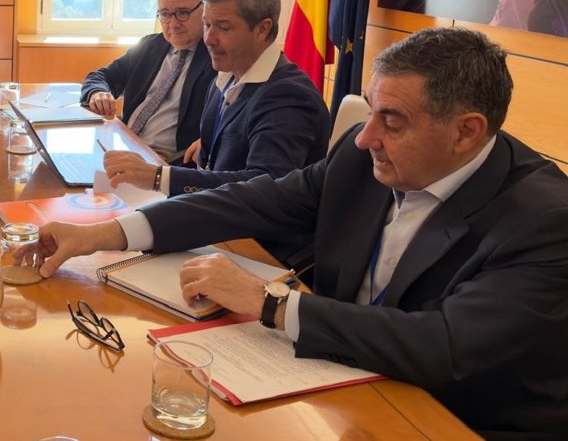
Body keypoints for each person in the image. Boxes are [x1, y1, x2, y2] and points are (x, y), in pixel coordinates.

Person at [36, 27, 568, 438]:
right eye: (371, 111)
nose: (364, 138)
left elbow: (444, 348)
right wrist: (104, 234)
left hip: (451, 418)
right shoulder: (361, 159)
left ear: (466, 132)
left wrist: (269, 303)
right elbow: (251, 200)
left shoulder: (545, 220)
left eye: (392, 121)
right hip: (336, 382)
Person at [104, 0, 329, 265]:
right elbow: (217, 163)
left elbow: (265, 186)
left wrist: (159, 177)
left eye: (223, 27)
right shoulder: (226, 77)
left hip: (260, 249)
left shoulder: (289, 96)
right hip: (218, 223)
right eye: (207, 24)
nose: (209, 38)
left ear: (262, 29)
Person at [81, 0, 216, 160]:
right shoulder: (149, 46)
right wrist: (97, 93)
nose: (173, 24)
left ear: (205, 10)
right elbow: (101, 76)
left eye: (182, 13)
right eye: (165, 14)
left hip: (167, 159)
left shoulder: (217, 57)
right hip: (122, 141)